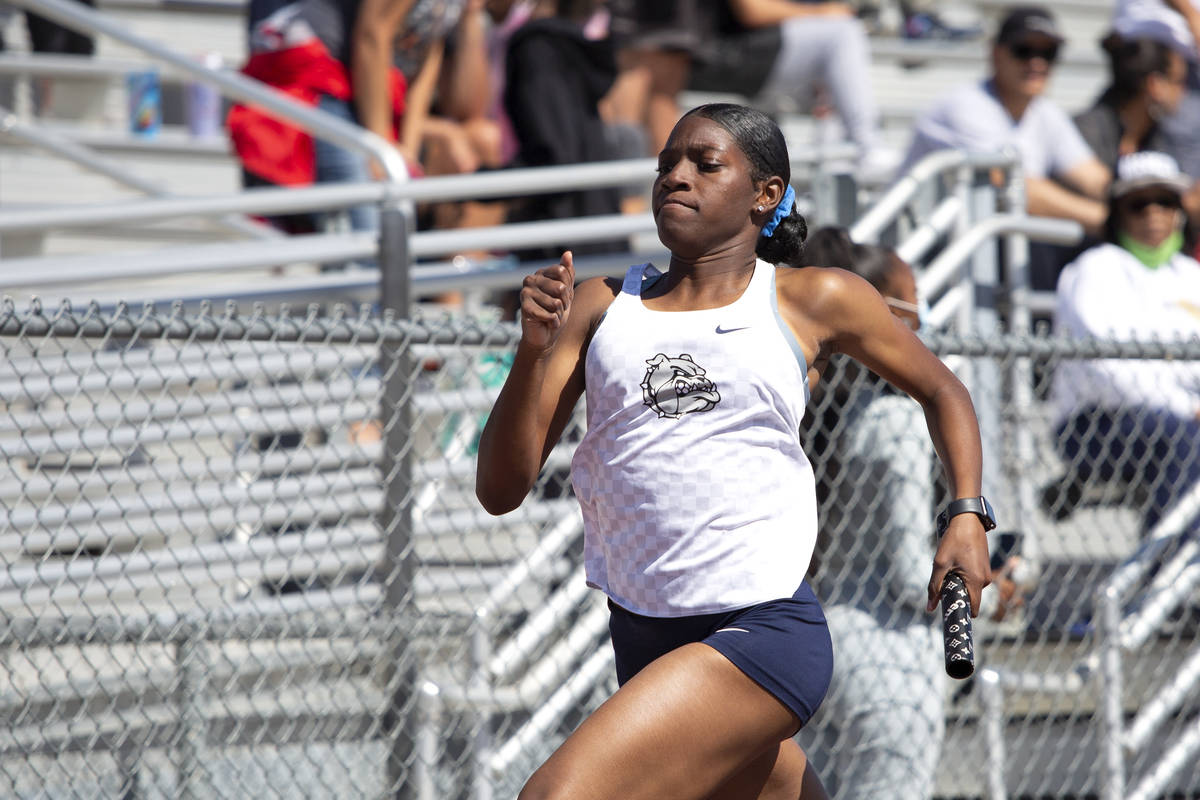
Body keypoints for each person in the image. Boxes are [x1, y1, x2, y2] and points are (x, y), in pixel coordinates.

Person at [475, 102, 993, 800]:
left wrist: (966, 515)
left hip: (762, 632)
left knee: (556, 797)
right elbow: (500, 491)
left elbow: (944, 392)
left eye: (703, 163)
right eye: (665, 166)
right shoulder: (599, 306)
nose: (675, 178)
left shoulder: (812, 297)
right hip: (644, 636)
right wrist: (531, 354)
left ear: (765, 193)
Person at [1053, 151, 1200, 539]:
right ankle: (1162, 580)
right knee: (1186, 439)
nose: (1153, 213)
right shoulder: (1095, 269)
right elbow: (1107, 373)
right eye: (1139, 203)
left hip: (1182, 416)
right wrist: (1188, 407)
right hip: (1096, 423)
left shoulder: (1191, 275)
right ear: (1118, 212)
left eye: (1164, 201)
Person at [898, 6, 1111, 252]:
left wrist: (1138, 204)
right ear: (995, 54)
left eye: (1048, 52)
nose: (1037, 63)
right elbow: (1015, 188)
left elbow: (1093, 178)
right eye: (1024, 50)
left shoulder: (1044, 112)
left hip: (973, 249)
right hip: (923, 249)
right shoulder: (965, 106)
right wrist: (1113, 220)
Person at [686, 0, 885, 172]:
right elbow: (752, 10)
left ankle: (839, 164)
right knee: (841, 32)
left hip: (736, 56)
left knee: (835, 54)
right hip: (716, 56)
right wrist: (819, 13)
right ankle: (867, 146)